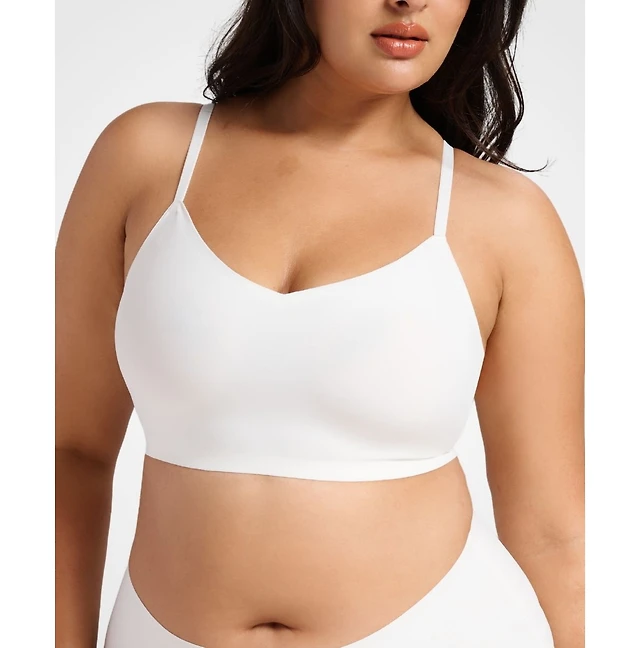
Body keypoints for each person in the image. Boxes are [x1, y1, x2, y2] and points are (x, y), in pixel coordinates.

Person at [55, 0, 585, 646]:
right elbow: (67, 454)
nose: (409, 0)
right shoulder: (147, 158)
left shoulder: (507, 221)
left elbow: (553, 535)